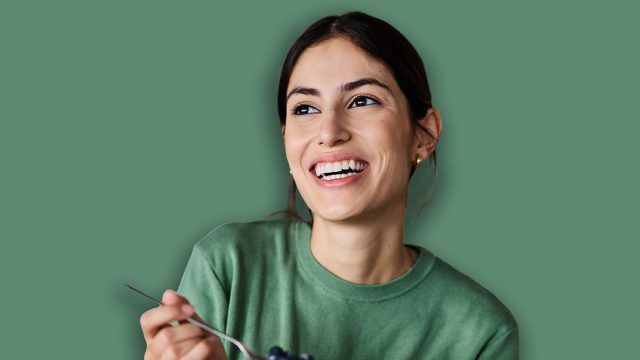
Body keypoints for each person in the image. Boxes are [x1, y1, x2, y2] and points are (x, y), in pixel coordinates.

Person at [139, 11, 519, 360]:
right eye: (305, 108)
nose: (329, 132)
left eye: (363, 100)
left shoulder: (480, 332)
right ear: (287, 141)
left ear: (423, 135)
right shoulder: (228, 266)